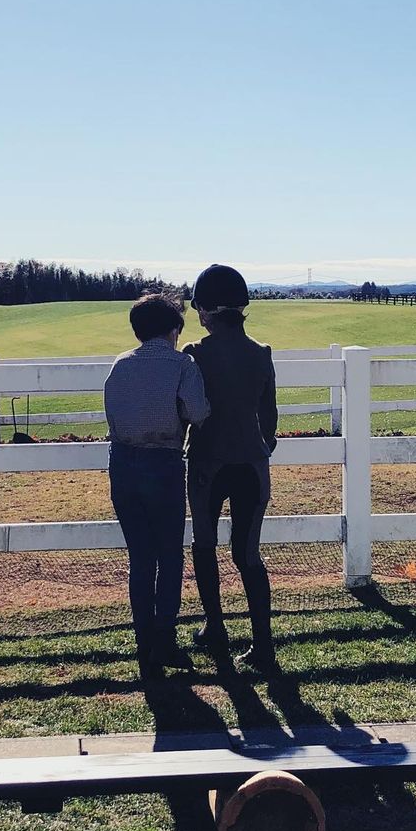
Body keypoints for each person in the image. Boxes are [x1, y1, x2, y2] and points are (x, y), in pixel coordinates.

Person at [104, 294, 210, 677]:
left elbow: (112, 413)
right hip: (162, 463)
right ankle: (164, 638)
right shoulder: (182, 365)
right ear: (174, 330)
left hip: (122, 464)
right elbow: (198, 413)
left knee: (140, 557)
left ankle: (143, 641)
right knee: (169, 556)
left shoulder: (120, 365)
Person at [183, 264, 280, 674]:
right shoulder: (261, 354)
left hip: (208, 464)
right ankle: (263, 644)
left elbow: (186, 412)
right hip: (252, 466)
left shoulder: (195, 354)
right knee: (249, 555)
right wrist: (261, 448)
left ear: (206, 310)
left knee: (205, 546)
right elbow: (270, 419)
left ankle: (215, 628)